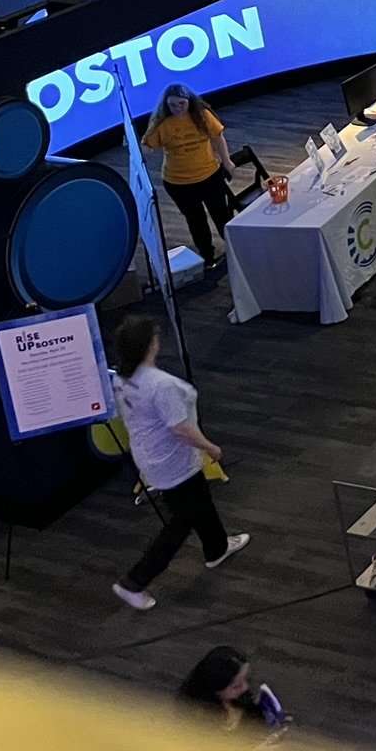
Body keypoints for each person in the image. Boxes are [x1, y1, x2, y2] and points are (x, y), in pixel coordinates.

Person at [108, 316, 249, 610]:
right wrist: (211, 447)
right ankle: (134, 581)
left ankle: (217, 547)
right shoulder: (162, 386)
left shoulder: (121, 378)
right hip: (171, 460)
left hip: (150, 456)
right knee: (182, 520)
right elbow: (180, 429)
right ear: (151, 347)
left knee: (199, 499)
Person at [140, 84, 238, 276]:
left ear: (189, 101)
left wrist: (227, 162)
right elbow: (148, 146)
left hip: (210, 175)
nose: (178, 108)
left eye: (181, 104)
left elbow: (218, 137)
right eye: (173, 105)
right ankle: (208, 257)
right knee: (196, 222)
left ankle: (236, 249)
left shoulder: (201, 115)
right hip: (179, 183)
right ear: (166, 105)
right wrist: (139, 147)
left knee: (222, 215)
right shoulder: (162, 124)